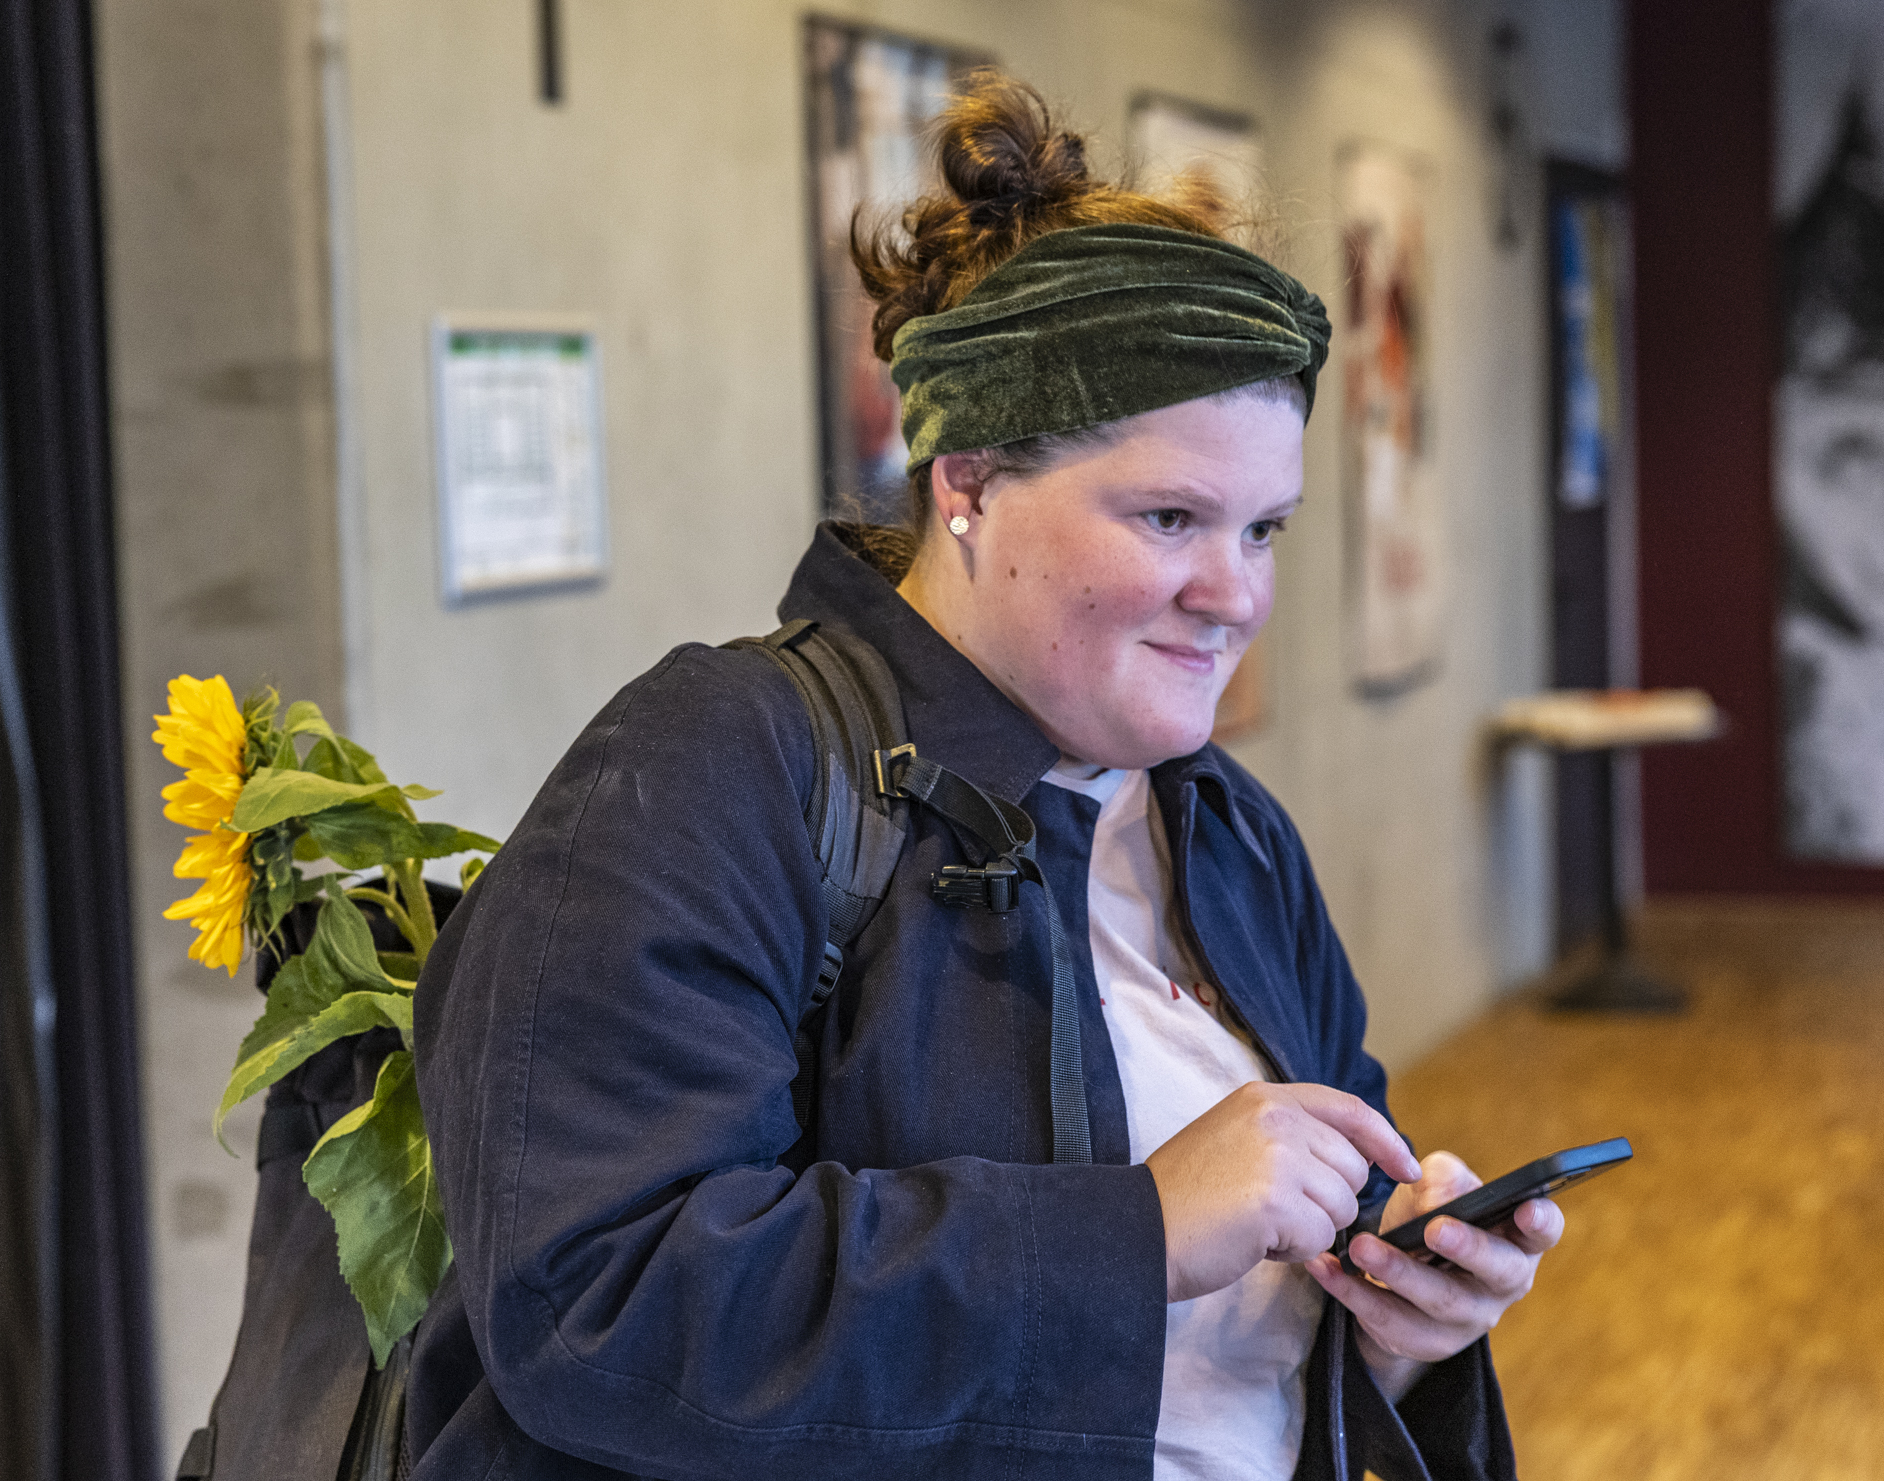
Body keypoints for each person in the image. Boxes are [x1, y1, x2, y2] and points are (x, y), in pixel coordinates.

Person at [406, 75, 1562, 1481]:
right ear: (966, 485)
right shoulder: (714, 768)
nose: (1235, 594)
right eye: (1170, 517)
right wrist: (1136, 1233)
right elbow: (595, 1303)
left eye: (1264, 528)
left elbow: (1263, 1318)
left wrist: (1397, 1315)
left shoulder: (1226, 833)